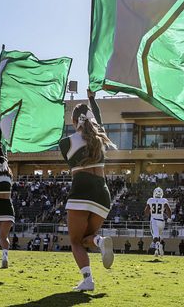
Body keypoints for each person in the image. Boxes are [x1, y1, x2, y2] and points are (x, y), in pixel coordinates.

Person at [60, 89, 116, 291]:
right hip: (103, 192)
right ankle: (100, 241)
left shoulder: (66, 143)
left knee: (75, 241)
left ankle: (88, 280)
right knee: (86, 240)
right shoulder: (101, 138)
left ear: (75, 122)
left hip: (81, 189)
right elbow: (97, 120)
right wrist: (92, 98)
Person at [144, 187, 171, 257]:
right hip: (162, 221)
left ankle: (159, 245)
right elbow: (168, 209)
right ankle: (156, 251)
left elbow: (146, 211)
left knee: (155, 237)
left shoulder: (150, 200)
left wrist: (149, 212)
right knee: (158, 236)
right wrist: (169, 218)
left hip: (154, 220)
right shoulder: (164, 200)